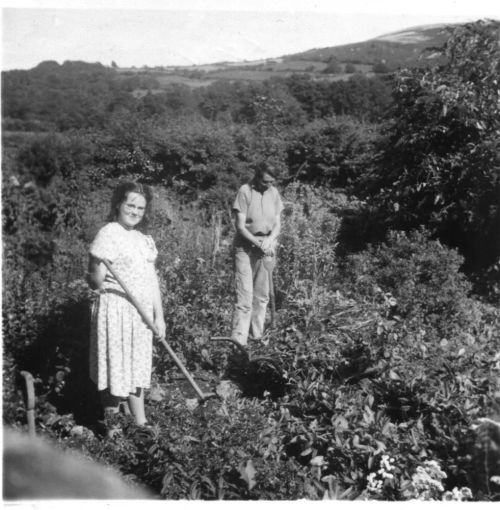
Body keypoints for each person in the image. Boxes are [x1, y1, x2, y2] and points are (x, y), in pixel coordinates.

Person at [87, 182, 165, 434]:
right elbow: (95, 282)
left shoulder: (144, 239)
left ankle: (140, 422)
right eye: (130, 204)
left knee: (138, 364)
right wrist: (95, 266)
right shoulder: (108, 233)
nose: (134, 211)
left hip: (142, 315)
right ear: (118, 204)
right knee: (116, 365)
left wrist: (159, 317)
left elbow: (152, 280)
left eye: (140, 207)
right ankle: (113, 428)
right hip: (116, 310)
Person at [231, 163, 284, 346]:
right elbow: (240, 226)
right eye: (265, 181)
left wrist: (270, 240)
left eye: (271, 182)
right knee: (245, 298)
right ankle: (239, 342)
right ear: (257, 176)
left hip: (266, 247)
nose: (268, 185)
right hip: (245, 248)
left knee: (262, 297)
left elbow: (277, 223)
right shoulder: (245, 191)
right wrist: (257, 242)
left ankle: (257, 339)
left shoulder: (274, 193)